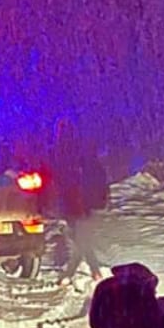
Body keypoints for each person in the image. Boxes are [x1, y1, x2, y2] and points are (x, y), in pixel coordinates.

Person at [45, 119, 111, 279]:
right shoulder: (82, 152)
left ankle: (91, 272)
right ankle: (76, 273)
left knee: (80, 238)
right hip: (85, 201)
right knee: (80, 238)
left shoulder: (63, 153)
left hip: (76, 202)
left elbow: (62, 178)